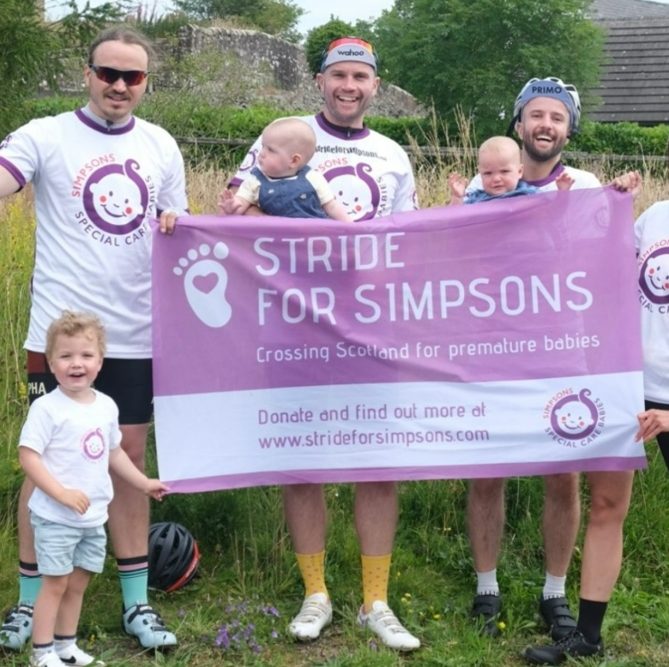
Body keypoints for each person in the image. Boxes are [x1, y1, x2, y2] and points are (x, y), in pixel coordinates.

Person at [0, 25, 187, 651]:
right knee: (50, 459)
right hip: (62, 339)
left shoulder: (161, 145)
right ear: (87, 74)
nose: (119, 86)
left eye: (132, 77)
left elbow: (176, 229)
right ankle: (30, 605)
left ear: (146, 83)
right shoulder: (45, 134)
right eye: (108, 73)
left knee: (127, 459)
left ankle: (137, 605)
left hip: (134, 334)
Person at [525, 118, 669, 667]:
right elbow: (602, 265)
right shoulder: (655, 216)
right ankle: (587, 636)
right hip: (623, 388)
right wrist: (590, 206)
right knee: (606, 508)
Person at [225, 36, 421, 651]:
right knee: (302, 457)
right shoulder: (276, 138)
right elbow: (232, 212)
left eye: (361, 76)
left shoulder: (392, 154)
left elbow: (405, 237)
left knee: (376, 460)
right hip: (291, 318)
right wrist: (314, 238)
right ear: (319, 80)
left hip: (369, 324)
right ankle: (316, 594)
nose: (350, 85)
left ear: (374, 86)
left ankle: (375, 601)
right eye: (339, 74)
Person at [465, 77, 624, 642]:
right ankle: (487, 586)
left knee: (564, 472)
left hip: (564, 348)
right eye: (536, 115)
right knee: (487, 470)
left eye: (557, 117)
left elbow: (607, 266)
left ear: (569, 128)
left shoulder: (585, 186)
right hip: (493, 344)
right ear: (519, 123)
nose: (546, 126)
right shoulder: (485, 183)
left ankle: (554, 592)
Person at [20, 311, 169, 667]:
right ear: (51, 363)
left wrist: (144, 483)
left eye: (86, 356)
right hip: (56, 517)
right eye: (66, 356)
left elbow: (114, 453)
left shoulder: (105, 407)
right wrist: (61, 494)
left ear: (100, 362)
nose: (76, 364)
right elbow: (28, 457)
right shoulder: (47, 408)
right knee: (54, 583)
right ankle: (41, 653)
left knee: (77, 584)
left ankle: (65, 646)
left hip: (92, 518)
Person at [223, 118, 351, 220]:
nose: (261, 153)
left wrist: (351, 228)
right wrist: (232, 206)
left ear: (294, 160)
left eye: (271, 150)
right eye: (263, 146)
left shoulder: (313, 178)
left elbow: (332, 206)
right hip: (275, 239)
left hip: (313, 237)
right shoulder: (254, 180)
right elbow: (241, 203)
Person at [448, 136, 572, 205]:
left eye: (504, 172)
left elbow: (554, 215)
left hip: (523, 249)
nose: (496, 179)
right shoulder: (476, 198)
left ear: (519, 171)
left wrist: (563, 193)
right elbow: (455, 219)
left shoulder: (529, 194)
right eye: (488, 173)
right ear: (480, 173)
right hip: (488, 248)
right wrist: (457, 197)